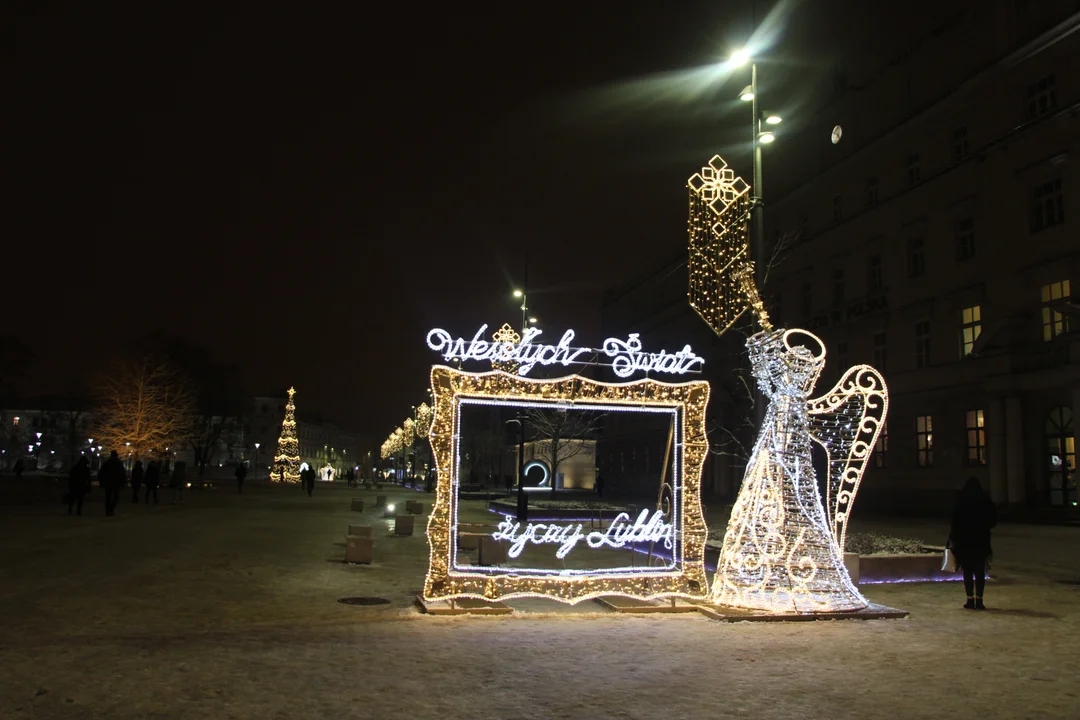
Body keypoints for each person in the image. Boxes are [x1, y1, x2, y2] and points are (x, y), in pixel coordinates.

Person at [949, 477, 998, 610]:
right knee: (980, 571)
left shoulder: (961, 503)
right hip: (980, 541)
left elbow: (954, 523)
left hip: (965, 542)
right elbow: (993, 521)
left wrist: (954, 539)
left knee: (968, 571)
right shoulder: (985, 502)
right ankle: (979, 600)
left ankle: (969, 599)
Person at [98, 451, 126, 516]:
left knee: (108, 497)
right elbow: (122, 473)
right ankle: (111, 509)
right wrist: (123, 482)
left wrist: (101, 482)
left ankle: (108, 511)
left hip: (109, 482)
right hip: (115, 482)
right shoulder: (118, 463)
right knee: (115, 497)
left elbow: (101, 473)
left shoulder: (107, 463)